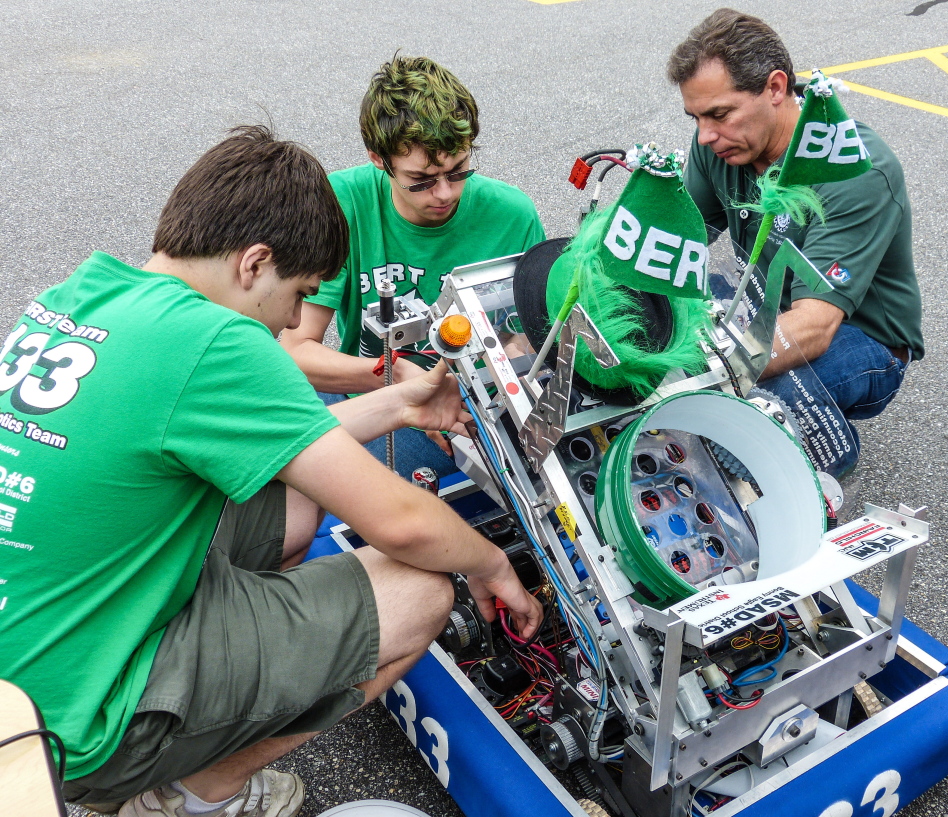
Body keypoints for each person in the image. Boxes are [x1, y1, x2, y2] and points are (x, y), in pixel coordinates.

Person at [0, 126, 542, 817]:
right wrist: (491, 562)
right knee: (421, 588)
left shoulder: (88, 291)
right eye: (299, 294)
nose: (293, 319)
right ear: (254, 262)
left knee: (289, 503)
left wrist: (395, 405)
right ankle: (193, 792)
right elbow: (400, 520)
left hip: (24, 662)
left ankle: (216, 696)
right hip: (77, 731)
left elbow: (279, 444)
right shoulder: (216, 340)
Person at [668, 9, 923, 475]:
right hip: (764, 300)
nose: (705, 135)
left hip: (859, 334)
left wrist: (698, 374)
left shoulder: (853, 170)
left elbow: (813, 326)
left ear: (776, 88)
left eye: (720, 114)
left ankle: (813, 477)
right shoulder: (721, 142)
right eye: (696, 117)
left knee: (766, 405)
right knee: (667, 319)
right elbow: (674, 246)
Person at [279, 55, 545, 477]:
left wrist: (488, 391)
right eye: (421, 180)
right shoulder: (341, 204)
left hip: (478, 410)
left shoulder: (513, 214)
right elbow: (294, 351)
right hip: (376, 397)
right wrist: (394, 375)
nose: (444, 193)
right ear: (378, 159)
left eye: (458, 170)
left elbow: (527, 337)